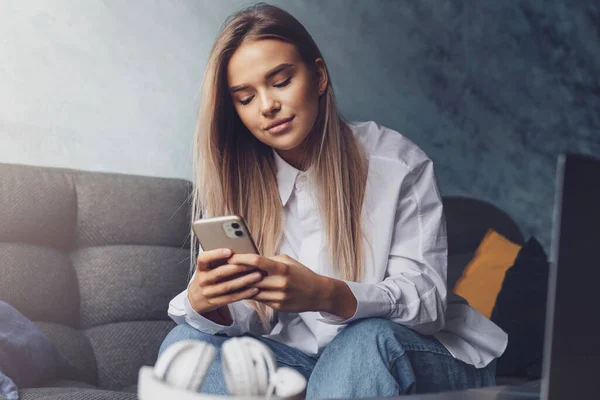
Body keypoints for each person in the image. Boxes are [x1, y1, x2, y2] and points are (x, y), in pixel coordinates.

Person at [160, 2, 507, 398]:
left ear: (319, 76)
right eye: (245, 98)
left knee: (364, 341)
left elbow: (426, 306)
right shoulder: (236, 182)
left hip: (424, 353)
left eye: (281, 81)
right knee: (186, 344)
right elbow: (248, 321)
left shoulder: (396, 163)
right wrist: (208, 302)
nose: (267, 106)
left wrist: (329, 294)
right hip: (310, 366)